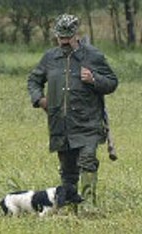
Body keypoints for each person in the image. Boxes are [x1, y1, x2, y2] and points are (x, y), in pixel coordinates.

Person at [28, 14, 118, 209]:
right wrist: (40, 99)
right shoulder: (50, 58)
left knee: (87, 160)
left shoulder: (93, 56)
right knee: (68, 171)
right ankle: (69, 204)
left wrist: (94, 79)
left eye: (68, 37)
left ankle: (87, 205)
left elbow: (112, 82)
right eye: (61, 38)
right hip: (60, 124)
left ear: (76, 34)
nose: (65, 42)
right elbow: (34, 81)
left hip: (88, 124)